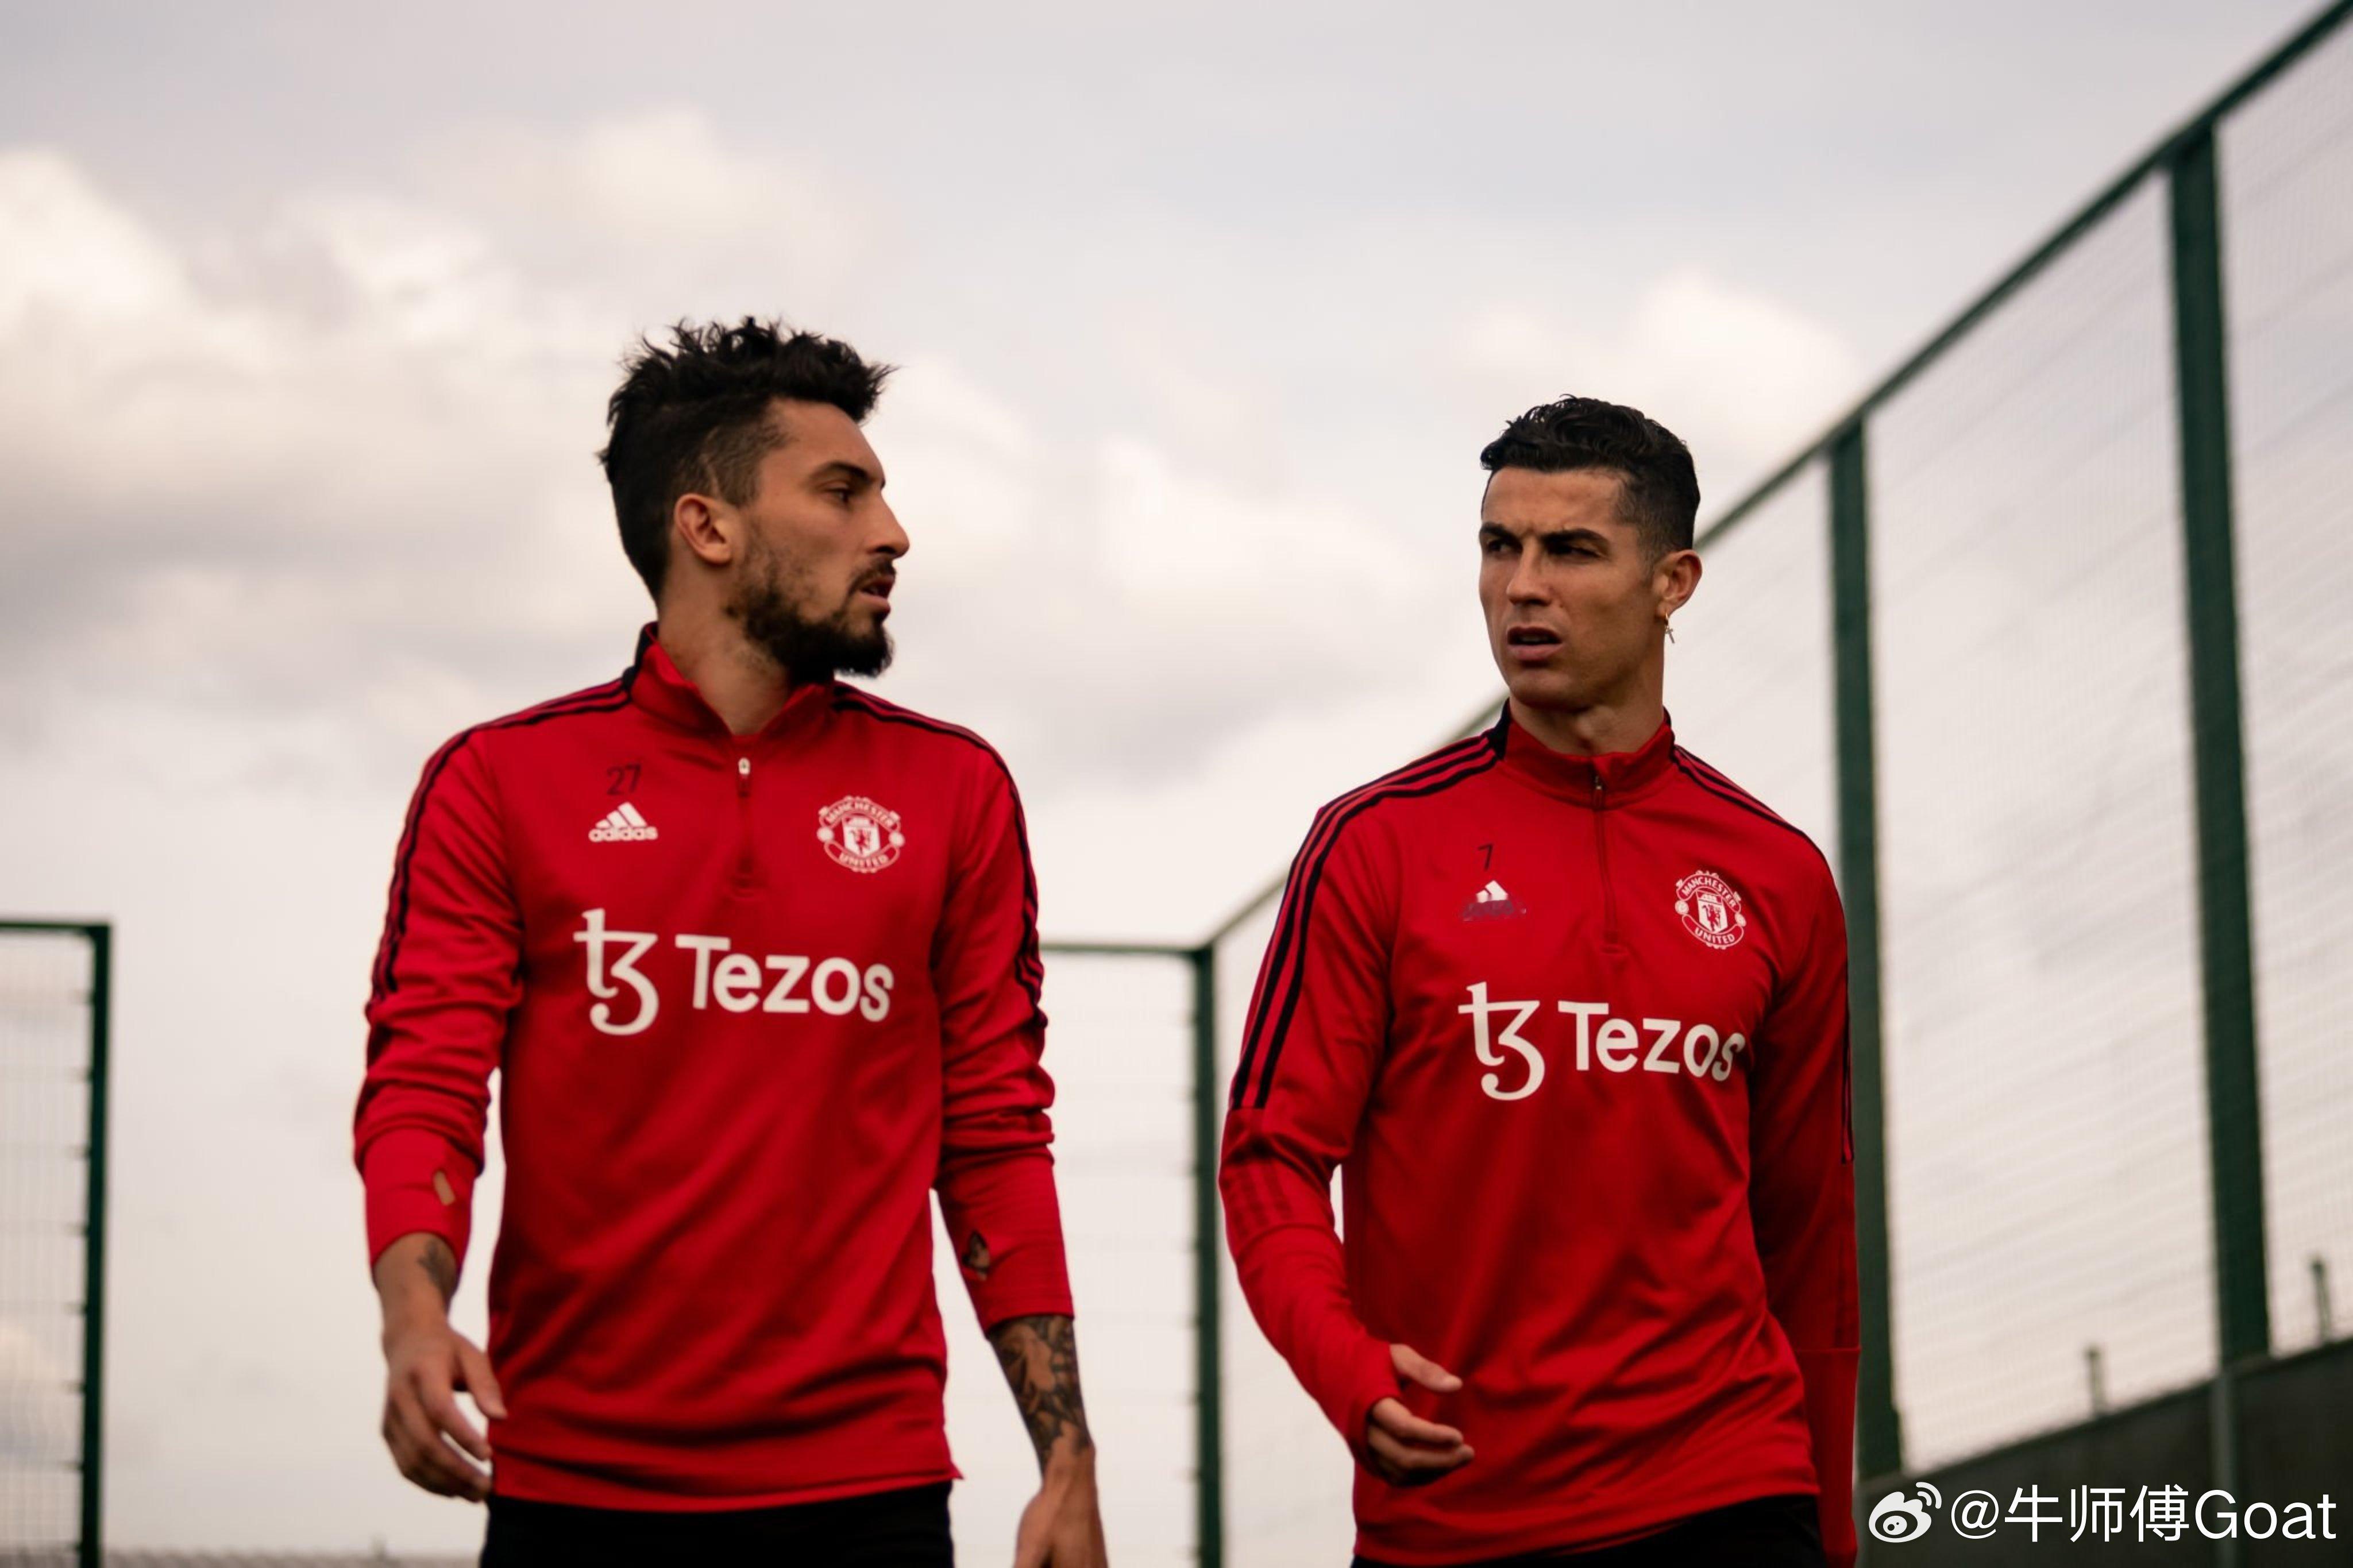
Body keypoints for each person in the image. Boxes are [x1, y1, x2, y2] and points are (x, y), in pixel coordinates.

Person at [354, 319, 1108, 1567]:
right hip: (570, 1488)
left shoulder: (955, 788)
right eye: (843, 491)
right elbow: (426, 1085)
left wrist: (1066, 1458)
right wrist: (412, 1319)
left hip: (867, 1492)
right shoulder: (498, 780)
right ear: (706, 527)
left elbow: (992, 1133)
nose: (893, 532)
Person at [1220, 396, 1858, 1567]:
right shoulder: (1372, 846)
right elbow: (1270, 1160)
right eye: (1497, 545)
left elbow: (1808, 1231)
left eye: (1569, 550)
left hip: (1727, 1484)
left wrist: (1829, 1521)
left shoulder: (1777, 874)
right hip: (1453, 1508)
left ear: (1671, 583)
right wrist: (1345, 1367)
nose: (1521, 586)